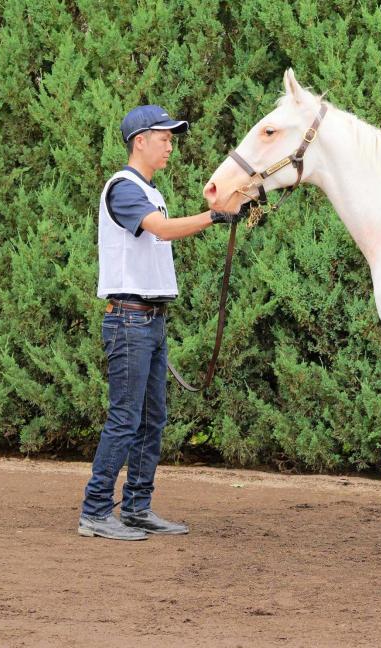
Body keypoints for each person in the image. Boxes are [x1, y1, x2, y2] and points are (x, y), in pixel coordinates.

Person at [79, 105, 245, 540]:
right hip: (131, 321)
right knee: (125, 419)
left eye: (172, 138)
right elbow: (163, 231)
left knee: (152, 420)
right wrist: (215, 217)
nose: (171, 145)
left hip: (148, 321)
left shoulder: (150, 190)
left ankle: (136, 507)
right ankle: (95, 511)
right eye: (165, 138)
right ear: (140, 142)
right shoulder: (125, 188)